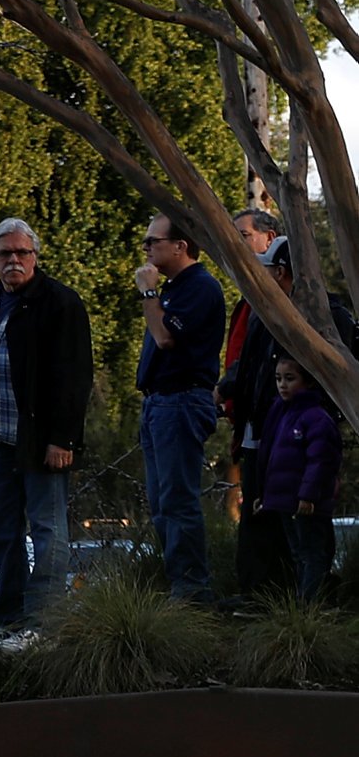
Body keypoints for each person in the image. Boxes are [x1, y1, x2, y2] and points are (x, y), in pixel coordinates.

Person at [0, 216, 93, 645]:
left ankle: (43, 622)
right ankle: (8, 618)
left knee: (47, 528)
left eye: (22, 252)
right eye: (4, 253)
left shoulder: (60, 303)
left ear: (35, 256)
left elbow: (74, 376)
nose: (14, 260)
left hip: (41, 439)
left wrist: (62, 438)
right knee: (0, 529)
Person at [136, 210, 228, 601]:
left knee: (177, 499)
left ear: (180, 245)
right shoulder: (174, 288)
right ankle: (179, 582)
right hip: (159, 403)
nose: (146, 249)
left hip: (181, 401)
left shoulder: (199, 287)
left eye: (152, 241)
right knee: (161, 502)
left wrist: (148, 293)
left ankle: (191, 591)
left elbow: (165, 338)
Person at [219, 226, 293, 594]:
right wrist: (223, 391)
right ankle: (254, 594)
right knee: (254, 516)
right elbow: (245, 368)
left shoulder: (315, 317)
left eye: (266, 269)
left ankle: (289, 599)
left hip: (291, 439)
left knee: (286, 521)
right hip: (255, 435)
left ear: (280, 273)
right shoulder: (262, 316)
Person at [255, 355, 342, 600]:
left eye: (290, 379)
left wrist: (308, 495)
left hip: (307, 503)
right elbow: (270, 458)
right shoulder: (279, 414)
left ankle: (310, 604)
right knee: (298, 552)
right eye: (278, 379)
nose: (282, 385)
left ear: (308, 381)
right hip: (285, 500)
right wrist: (264, 494)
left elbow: (322, 461)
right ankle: (304, 601)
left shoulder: (316, 418)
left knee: (313, 552)